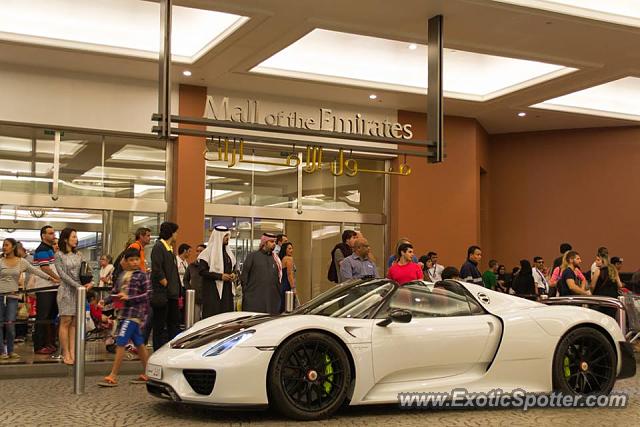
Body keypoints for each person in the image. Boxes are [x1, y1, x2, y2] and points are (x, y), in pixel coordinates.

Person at [99, 248, 151, 387]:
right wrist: (106, 301)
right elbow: (116, 292)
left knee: (121, 341)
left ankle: (113, 375)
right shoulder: (123, 275)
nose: (134, 262)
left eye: (136, 259)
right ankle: (148, 373)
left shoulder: (142, 276)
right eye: (131, 260)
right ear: (126, 261)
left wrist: (130, 298)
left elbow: (147, 294)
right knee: (139, 343)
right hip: (123, 314)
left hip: (134, 314)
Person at [0, 238, 57, 359]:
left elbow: (36, 271)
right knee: (0, 324)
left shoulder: (21, 262)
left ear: (14, 247)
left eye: (6, 245)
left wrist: (51, 278)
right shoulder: (0, 261)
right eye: (3, 245)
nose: (4, 247)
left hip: (13, 297)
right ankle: (1, 352)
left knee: (10, 325)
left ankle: (10, 351)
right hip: (0, 296)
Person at [55, 228, 92, 365]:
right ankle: (65, 352)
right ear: (65, 239)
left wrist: (89, 282)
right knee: (65, 321)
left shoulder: (79, 254)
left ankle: (73, 351)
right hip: (66, 291)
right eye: (73, 237)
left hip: (79, 292)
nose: (76, 239)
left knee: (75, 323)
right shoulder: (59, 255)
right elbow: (62, 274)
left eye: (76, 237)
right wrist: (77, 285)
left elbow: (86, 270)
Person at [150, 222, 181, 351]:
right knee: (160, 326)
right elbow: (157, 269)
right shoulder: (159, 247)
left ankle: (170, 351)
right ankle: (158, 351)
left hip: (172, 295)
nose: (177, 235)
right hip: (163, 295)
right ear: (171, 232)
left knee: (173, 325)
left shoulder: (169, 249)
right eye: (176, 232)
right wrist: (166, 283)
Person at [32, 225, 61, 355]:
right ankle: (39, 345)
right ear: (43, 235)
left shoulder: (50, 249)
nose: (53, 235)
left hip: (52, 288)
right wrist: (59, 279)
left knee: (50, 317)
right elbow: (45, 268)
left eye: (53, 233)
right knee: (42, 317)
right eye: (50, 233)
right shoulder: (42, 249)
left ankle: (48, 343)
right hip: (44, 288)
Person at [198, 226, 237, 318]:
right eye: (225, 236)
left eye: (228, 235)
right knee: (212, 315)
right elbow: (202, 271)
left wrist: (233, 275)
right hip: (212, 290)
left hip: (227, 290)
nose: (228, 238)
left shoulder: (229, 253)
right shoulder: (207, 253)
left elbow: (234, 269)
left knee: (226, 316)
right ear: (218, 237)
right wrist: (220, 276)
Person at [240, 233, 281, 314]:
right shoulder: (252, 256)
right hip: (253, 300)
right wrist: (247, 292)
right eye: (272, 242)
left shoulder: (275, 259)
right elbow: (244, 276)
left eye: (275, 242)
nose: (274, 244)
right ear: (265, 243)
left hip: (271, 300)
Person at [591, 252, 624, 318]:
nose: (595, 262)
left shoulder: (598, 271)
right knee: (611, 318)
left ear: (603, 261)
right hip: (612, 300)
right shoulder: (614, 270)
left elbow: (592, 286)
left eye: (598, 260)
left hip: (601, 300)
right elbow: (620, 285)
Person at [183, 244, 206, 321]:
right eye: (197, 251)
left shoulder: (209, 266)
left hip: (207, 298)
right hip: (195, 298)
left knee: (206, 321)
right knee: (195, 320)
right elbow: (185, 279)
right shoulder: (191, 266)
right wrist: (190, 290)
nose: (198, 253)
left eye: (201, 251)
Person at [279, 242, 296, 312]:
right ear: (285, 250)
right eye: (289, 248)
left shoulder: (283, 259)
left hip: (282, 285)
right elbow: (289, 274)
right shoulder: (289, 259)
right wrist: (293, 287)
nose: (291, 250)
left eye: (292, 248)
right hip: (287, 285)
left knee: (283, 306)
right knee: (289, 307)